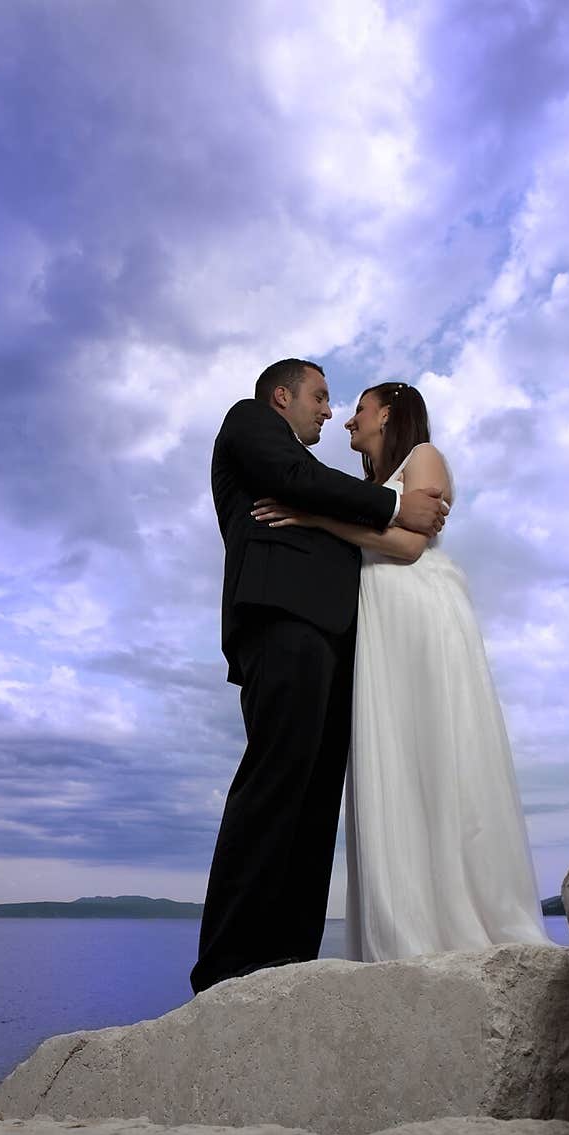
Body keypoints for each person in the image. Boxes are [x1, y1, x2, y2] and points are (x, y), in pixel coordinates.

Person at [251, 381, 549, 960]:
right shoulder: (367, 490)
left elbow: (410, 547)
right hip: (380, 625)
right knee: (394, 761)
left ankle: (462, 917)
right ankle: (406, 924)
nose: (346, 421)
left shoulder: (423, 457)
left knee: (436, 751)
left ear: (388, 411)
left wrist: (313, 519)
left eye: (358, 409)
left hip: (419, 613)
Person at [190, 362, 447, 993]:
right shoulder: (249, 422)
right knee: (276, 783)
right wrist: (395, 502)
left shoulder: (315, 468)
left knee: (315, 801)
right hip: (283, 619)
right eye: (321, 397)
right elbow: (294, 478)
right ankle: (226, 964)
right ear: (283, 396)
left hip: (334, 639)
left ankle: (290, 956)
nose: (329, 412)